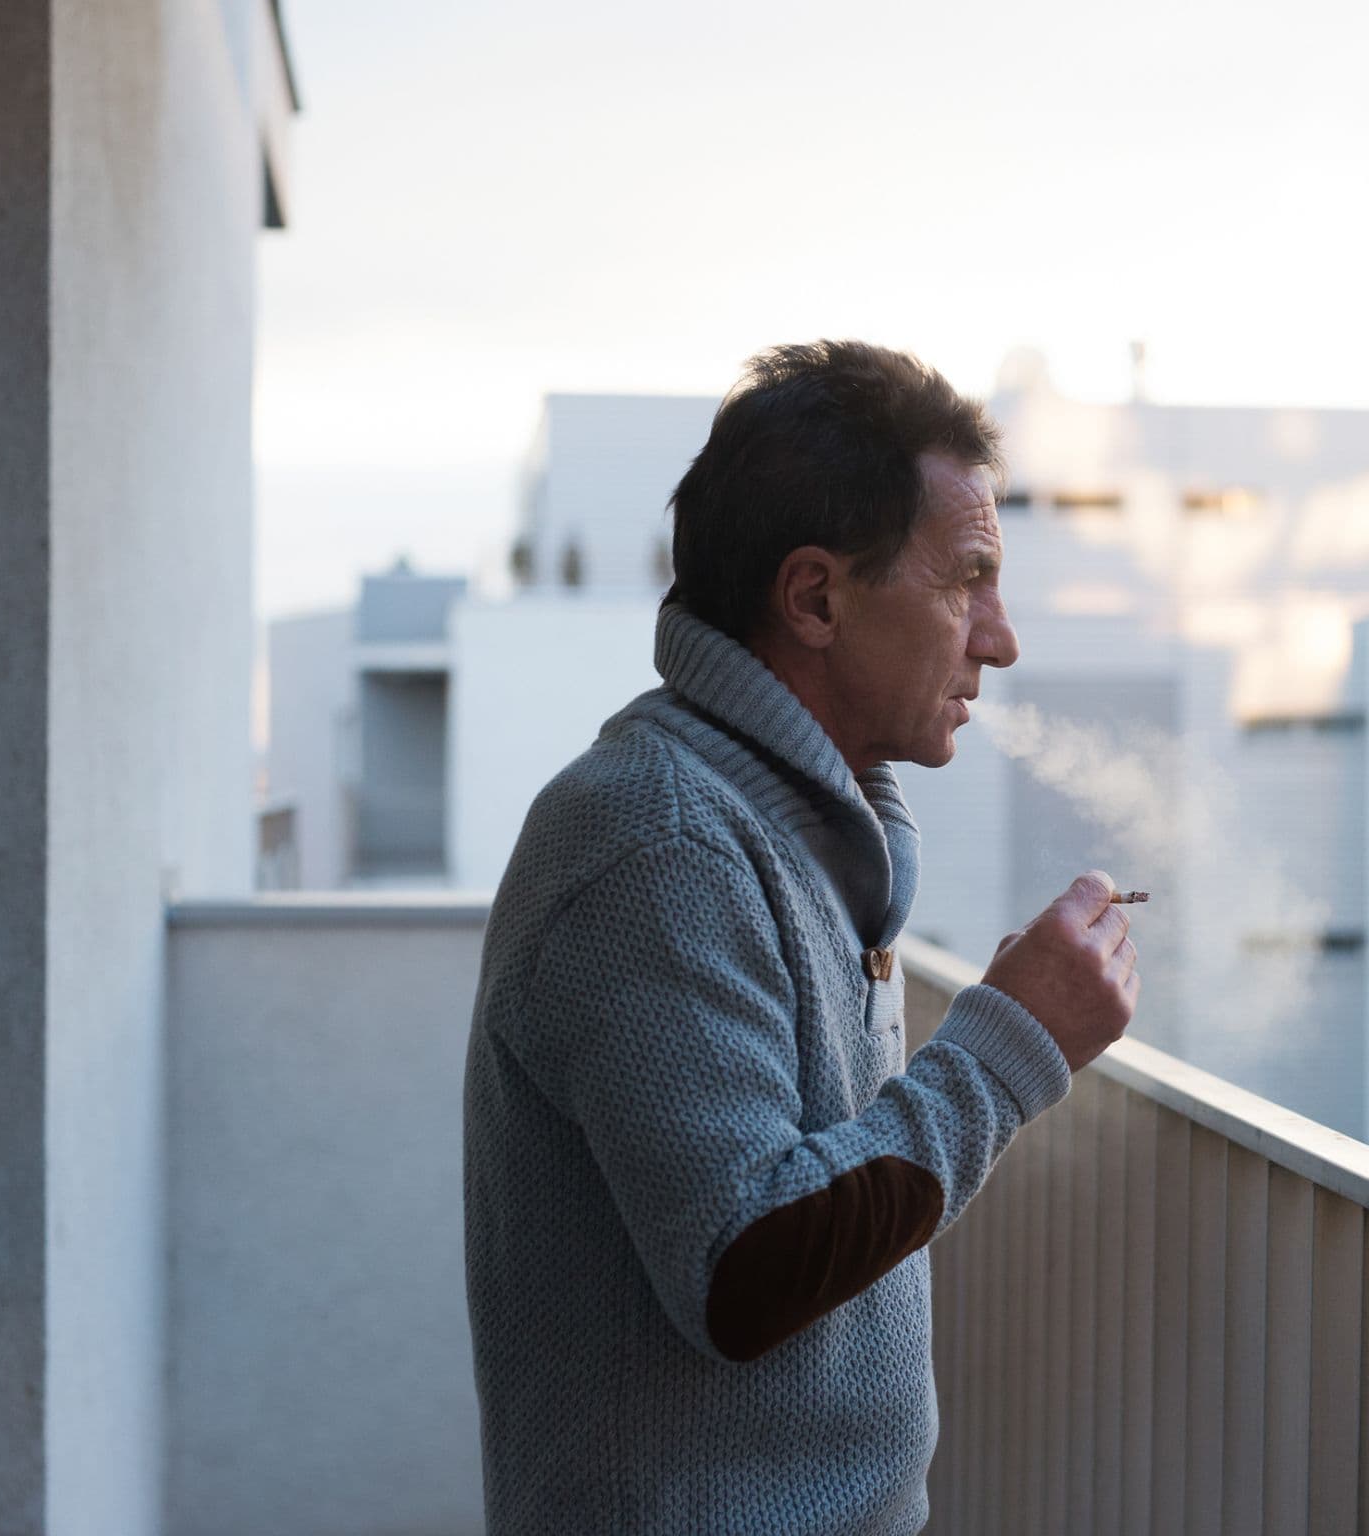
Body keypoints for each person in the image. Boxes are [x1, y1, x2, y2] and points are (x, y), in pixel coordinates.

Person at [461, 340, 1141, 1535]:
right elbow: (742, 1266)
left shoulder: (784, 829)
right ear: (817, 597)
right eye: (967, 578)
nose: (1000, 637)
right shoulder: (658, 843)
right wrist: (1011, 1042)